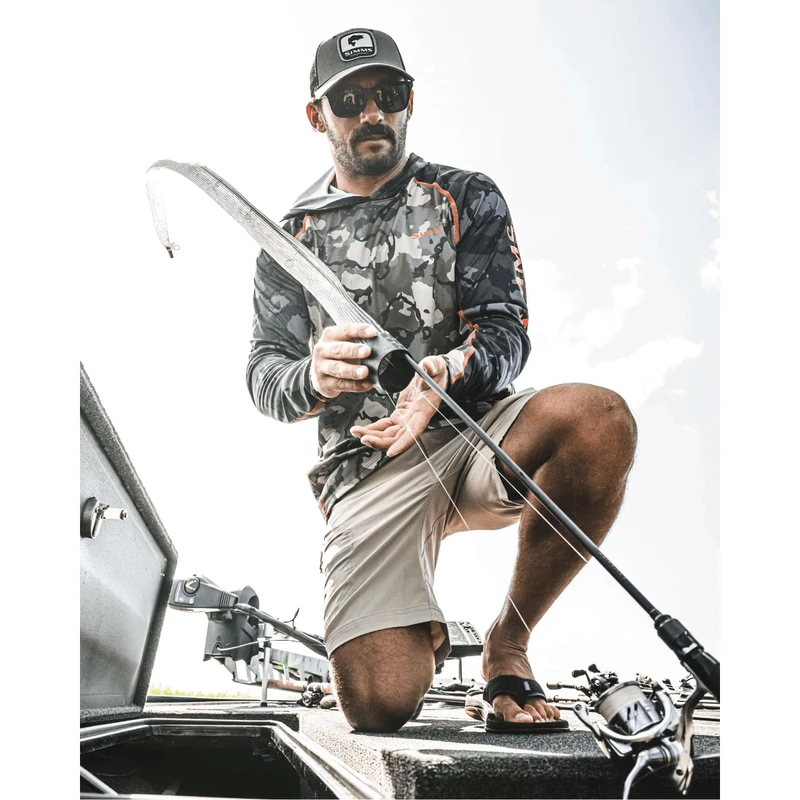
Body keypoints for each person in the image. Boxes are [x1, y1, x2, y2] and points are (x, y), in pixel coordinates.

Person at [247, 28, 637, 733]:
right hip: (364, 464)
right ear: (316, 115)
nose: (372, 112)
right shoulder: (288, 240)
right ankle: (402, 619)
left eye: (388, 94)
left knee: (599, 419)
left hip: (477, 436)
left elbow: (506, 333)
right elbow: (263, 377)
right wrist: (314, 376)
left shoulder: (466, 194)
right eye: (349, 100)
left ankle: (506, 644)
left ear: (410, 100)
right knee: (377, 702)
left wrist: (445, 374)